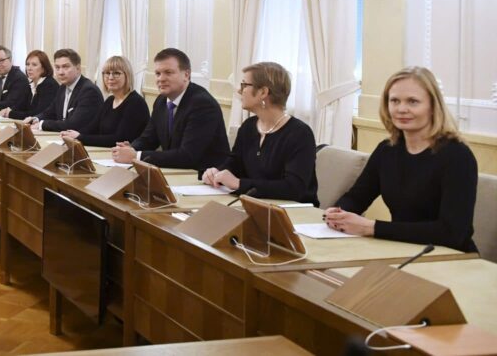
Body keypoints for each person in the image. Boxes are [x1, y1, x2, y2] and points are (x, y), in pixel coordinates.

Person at [324, 67, 478, 253]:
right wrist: (338, 212)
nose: (401, 109)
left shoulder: (457, 155)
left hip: (452, 258)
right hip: (401, 249)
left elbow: (452, 233)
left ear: (433, 106)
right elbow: (357, 197)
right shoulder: (387, 150)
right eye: (395, 101)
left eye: (413, 101)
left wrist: (371, 227)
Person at [202, 62, 319, 205]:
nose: (239, 90)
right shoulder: (248, 126)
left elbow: (293, 188)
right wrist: (216, 172)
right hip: (253, 205)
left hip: (293, 211)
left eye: (244, 85)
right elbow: (234, 163)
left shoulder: (300, 134)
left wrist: (239, 184)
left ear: (263, 92)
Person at [112, 48, 229, 172]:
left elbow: (187, 156)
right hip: (176, 171)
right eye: (158, 73)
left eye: (168, 72)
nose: (161, 79)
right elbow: (148, 138)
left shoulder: (202, 104)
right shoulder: (161, 101)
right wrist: (131, 148)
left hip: (203, 176)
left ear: (186, 75)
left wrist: (136, 156)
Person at [62, 55, 149, 147]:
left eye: (116, 73)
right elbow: (93, 127)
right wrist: (72, 135)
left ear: (127, 76)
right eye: (107, 73)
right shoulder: (110, 100)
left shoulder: (135, 103)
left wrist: (80, 137)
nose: (110, 77)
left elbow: (119, 139)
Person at [26, 48, 102, 133]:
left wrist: (42, 124)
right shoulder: (63, 87)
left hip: (82, 140)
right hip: (64, 137)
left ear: (78, 68)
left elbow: (73, 124)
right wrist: (35, 119)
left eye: (65, 67)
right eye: (57, 67)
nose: (60, 72)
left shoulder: (89, 91)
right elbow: (51, 112)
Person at [0, 50, 59, 120]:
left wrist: (11, 114)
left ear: (44, 68)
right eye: (27, 64)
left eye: (34, 65)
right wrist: (8, 110)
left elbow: (38, 113)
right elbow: (21, 105)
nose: (29, 68)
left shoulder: (49, 85)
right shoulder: (31, 84)